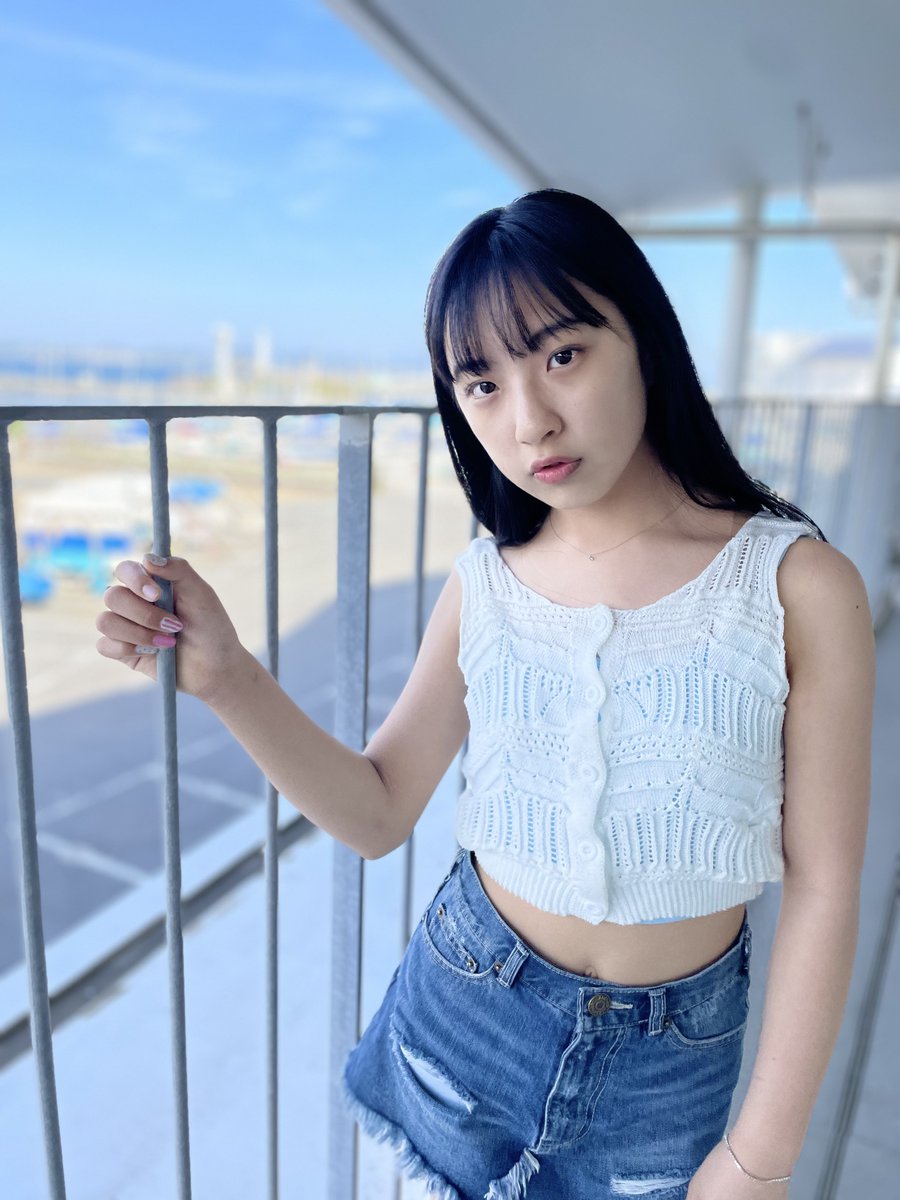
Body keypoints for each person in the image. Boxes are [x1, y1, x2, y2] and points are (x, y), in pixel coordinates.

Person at [95, 189, 875, 1200]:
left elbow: (825, 884)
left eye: (563, 355)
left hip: (667, 1069)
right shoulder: (486, 585)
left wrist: (763, 1155)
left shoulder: (797, 586)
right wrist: (229, 678)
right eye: (482, 383)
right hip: (466, 1009)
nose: (529, 419)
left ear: (645, 338)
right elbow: (378, 811)